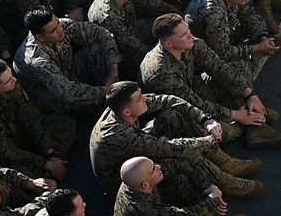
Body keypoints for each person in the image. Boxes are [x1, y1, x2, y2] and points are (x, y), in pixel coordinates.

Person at [139, 13, 281, 149]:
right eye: (183, 35)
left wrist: (250, 94)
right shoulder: (160, 73)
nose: (190, 35)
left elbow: (220, 68)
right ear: (168, 44)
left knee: (234, 70)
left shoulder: (192, 43)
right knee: (216, 128)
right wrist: (236, 115)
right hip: (175, 112)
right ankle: (249, 125)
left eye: (188, 30)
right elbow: (193, 104)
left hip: (190, 87)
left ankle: (255, 125)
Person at [90, 81, 261, 202]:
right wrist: (207, 140)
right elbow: (172, 147)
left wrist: (204, 119)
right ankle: (226, 181)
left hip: (135, 150)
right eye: (139, 99)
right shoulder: (119, 136)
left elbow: (169, 100)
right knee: (184, 152)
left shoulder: (121, 107)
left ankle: (227, 163)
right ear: (127, 111)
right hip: (129, 183)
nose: (145, 99)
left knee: (172, 116)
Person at [0, 57, 73, 180]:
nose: (14, 80)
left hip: (15, 129)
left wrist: (50, 151)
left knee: (66, 125)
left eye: (11, 75)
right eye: (9, 80)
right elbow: (6, 151)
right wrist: (46, 164)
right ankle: (50, 171)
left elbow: (29, 115)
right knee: (20, 174)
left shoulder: (8, 80)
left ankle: (55, 163)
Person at [12, 9, 121, 117]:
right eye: (54, 30)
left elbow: (102, 33)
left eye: (58, 24)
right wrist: (105, 91)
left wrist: (113, 72)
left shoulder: (58, 26)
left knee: (98, 50)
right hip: (50, 93)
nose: (60, 29)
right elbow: (66, 92)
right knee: (94, 105)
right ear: (40, 37)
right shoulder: (37, 61)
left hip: (68, 71)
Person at [113, 155, 248, 216]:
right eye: (153, 169)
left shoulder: (133, 182)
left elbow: (177, 164)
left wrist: (207, 186)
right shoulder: (146, 211)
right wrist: (213, 199)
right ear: (145, 184)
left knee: (180, 181)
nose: (158, 167)